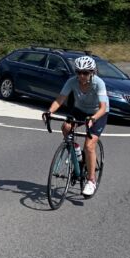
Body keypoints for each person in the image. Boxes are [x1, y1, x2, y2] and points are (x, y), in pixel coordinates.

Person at [42, 55, 108, 196]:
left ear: (92, 72)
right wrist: (49, 111)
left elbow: (103, 107)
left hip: (98, 113)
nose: (81, 76)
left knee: (89, 145)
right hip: (80, 110)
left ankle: (91, 180)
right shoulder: (72, 81)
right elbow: (60, 100)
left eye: (85, 73)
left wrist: (93, 118)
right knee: (66, 127)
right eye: (78, 72)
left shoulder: (98, 83)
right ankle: (75, 149)